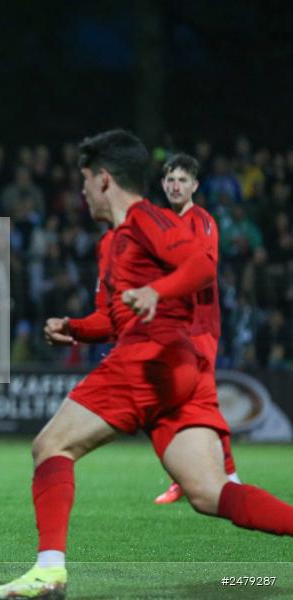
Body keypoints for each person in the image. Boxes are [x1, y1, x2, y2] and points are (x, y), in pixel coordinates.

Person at [0, 130, 293, 600]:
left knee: (51, 445)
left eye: (85, 181)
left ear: (104, 179)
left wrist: (156, 291)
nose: (82, 192)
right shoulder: (111, 242)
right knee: (210, 492)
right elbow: (111, 318)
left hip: (151, 358)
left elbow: (201, 266)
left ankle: (48, 572)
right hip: (177, 371)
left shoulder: (146, 219)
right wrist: (75, 327)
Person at [154, 154, 240, 504]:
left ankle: (228, 475)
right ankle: (184, 476)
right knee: (172, 403)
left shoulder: (202, 221)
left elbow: (203, 270)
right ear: (163, 184)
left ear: (195, 186)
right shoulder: (160, 224)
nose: (176, 186)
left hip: (200, 326)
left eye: (182, 180)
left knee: (200, 400)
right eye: (171, 180)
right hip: (171, 326)